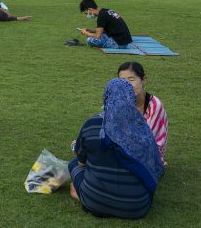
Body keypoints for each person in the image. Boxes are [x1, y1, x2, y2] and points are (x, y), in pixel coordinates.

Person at [69, 78, 164, 219]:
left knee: (73, 164)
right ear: (130, 97)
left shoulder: (92, 124)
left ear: (106, 96)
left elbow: (81, 163)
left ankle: (81, 192)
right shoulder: (142, 127)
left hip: (94, 202)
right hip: (137, 207)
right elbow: (153, 163)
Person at [117, 62, 168, 166]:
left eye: (131, 80)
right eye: (122, 81)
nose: (127, 85)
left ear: (143, 80)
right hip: (124, 150)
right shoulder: (120, 102)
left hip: (149, 156)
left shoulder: (154, 105)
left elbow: (146, 141)